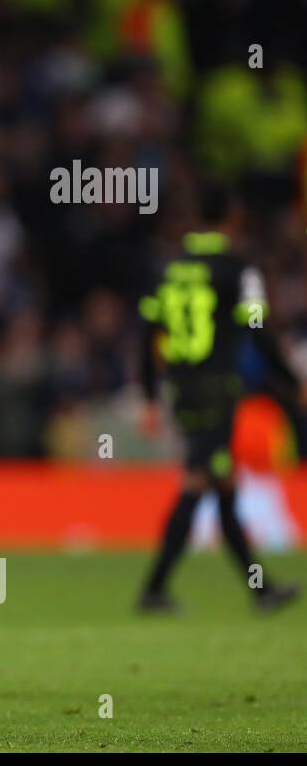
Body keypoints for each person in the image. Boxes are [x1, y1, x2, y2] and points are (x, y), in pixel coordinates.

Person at [137, 190, 300, 613]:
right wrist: (291, 379)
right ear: (234, 216)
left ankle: (260, 591)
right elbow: (259, 328)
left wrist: (150, 395)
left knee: (224, 485)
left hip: (181, 387)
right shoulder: (238, 267)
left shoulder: (169, 267)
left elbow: (147, 333)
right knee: (198, 480)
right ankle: (153, 588)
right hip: (216, 389)